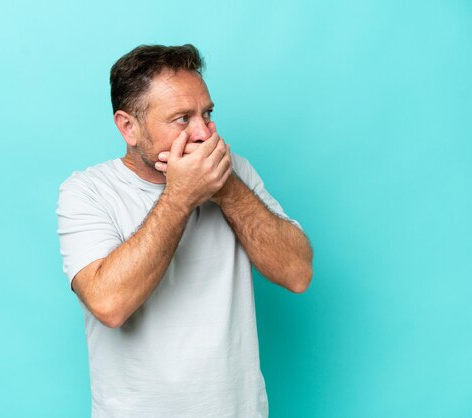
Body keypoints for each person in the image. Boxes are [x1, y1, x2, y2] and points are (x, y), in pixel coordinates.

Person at [56, 44, 313, 418]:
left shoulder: (234, 171)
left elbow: (298, 274)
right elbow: (109, 305)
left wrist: (225, 188)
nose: (204, 133)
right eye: (181, 119)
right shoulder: (87, 191)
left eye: (207, 114)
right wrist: (179, 197)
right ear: (129, 127)